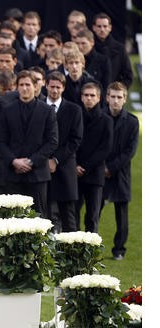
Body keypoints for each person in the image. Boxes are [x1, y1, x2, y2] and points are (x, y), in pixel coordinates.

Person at [0, 70, 58, 218]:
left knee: (37, 219)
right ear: (17, 87)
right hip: (13, 175)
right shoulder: (7, 111)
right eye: (21, 85)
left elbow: (52, 141)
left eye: (28, 85)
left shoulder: (47, 111)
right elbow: (1, 142)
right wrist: (14, 161)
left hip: (37, 175)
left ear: (36, 86)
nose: (25, 88)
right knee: (13, 220)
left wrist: (31, 161)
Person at [101, 82, 139, 260]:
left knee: (121, 214)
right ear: (107, 97)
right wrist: (102, 167)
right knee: (93, 211)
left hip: (121, 173)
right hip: (99, 171)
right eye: (112, 96)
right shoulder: (99, 116)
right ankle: (90, 245)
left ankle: (119, 250)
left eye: (119, 97)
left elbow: (130, 152)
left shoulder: (132, 122)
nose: (115, 101)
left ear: (124, 99)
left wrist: (111, 167)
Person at [45, 71, 83, 233]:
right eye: (52, 86)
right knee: (45, 213)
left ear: (63, 88)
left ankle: (71, 253)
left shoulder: (74, 110)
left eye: (58, 87)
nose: (54, 90)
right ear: (46, 86)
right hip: (42, 166)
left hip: (65, 167)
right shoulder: (38, 106)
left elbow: (75, 139)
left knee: (68, 214)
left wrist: (56, 160)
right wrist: (45, 159)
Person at [75, 82, 113, 232]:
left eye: (92, 95)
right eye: (86, 95)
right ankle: (73, 249)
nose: (89, 98)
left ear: (99, 98)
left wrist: (85, 166)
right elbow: (72, 142)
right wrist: (75, 165)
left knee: (92, 216)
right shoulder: (76, 117)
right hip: (75, 173)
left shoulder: (106, 120)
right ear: (81, 97)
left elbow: (106, 148)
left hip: (95, 174)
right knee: (73, 213)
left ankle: (90, 252)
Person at [92, 13, 133, 88]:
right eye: (99, 26)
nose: (102, 29)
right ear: (94, 27)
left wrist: (118, 90)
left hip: (112, 95)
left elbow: (128, 75)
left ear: (110, 28)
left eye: (105, 26)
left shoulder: (120, 49)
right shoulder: (88, 48)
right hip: (91, 94)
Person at [74, 29, 112, 95]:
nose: (80, 47)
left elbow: (106, 85)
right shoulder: (71, 61)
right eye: (77, 43)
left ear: (92, 42)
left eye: (83, 43)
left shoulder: (103, 61)